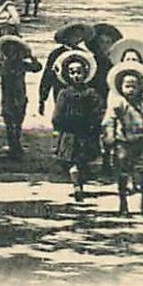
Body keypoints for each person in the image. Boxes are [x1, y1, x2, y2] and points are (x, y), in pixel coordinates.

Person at [103, 62, 143, 217]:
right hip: (123, 142)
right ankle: (123, 202)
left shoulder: (142, 104)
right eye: (127, 86)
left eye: (134, 86)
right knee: (123, 173)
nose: (131, 89)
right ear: (121, 87)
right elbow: (109, 120)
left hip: (140, 141)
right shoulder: (118, 103)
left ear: (140, 87)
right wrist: (110, 135)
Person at [51, 50, 103, 201]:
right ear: (67, 74)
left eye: (79, 72)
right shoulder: (64, 94)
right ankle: (77, 186)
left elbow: (97, 111)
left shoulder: (91, 93)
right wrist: (58, 127)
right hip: (69, 133)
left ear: (85, 73)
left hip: (86, 133)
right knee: (72, 161)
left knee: (83, 160)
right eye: (72, 72)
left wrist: (96, 126)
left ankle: (80, 182)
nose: (76, 76)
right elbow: (57, 114)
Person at [0, 34, 41, 158]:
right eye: (9, 51)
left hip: (20, 96)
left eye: (14, 51)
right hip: (7, 97)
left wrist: (32, 57)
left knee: (18, 121)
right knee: (9, 121)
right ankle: (12, 144)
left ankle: (16, 144)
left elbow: (37, 68)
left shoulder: (22, 64)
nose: (11, 53)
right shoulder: (3, 65)